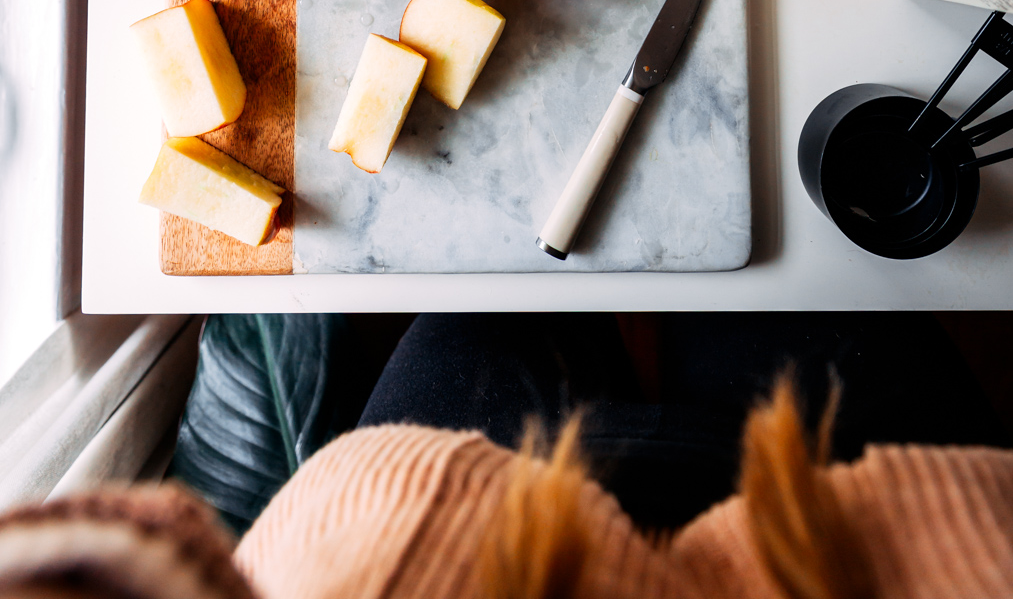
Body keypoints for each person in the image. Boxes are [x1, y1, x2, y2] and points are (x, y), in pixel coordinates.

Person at [0, 313, 1010, 599]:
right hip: (887, 529)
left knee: (491, 299)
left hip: (436, 505)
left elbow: (157, 541)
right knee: (766, 284)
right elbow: (151, 537)